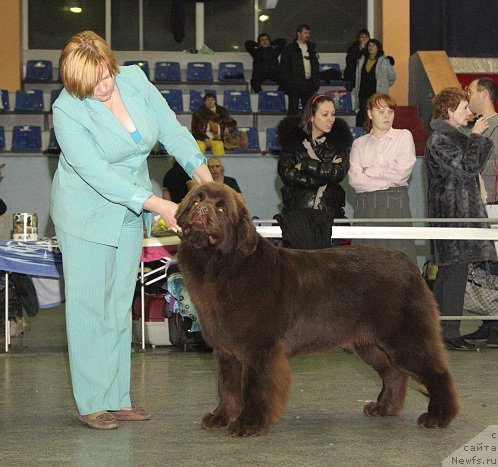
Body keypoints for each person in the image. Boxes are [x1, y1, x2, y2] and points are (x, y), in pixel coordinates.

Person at [49, 30, 213, 430]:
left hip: (129, 212)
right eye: (93, 86)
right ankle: (92, 401)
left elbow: (172, 131)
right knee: (90, 307)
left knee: (119, 305)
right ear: (75, 84)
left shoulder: (135, 80)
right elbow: (97, 174)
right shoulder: (67, 110)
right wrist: (158, 203)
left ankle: (117, 397)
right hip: (86, 213)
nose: (104, 88)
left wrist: (206, 183)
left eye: (106, 76)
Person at [425, 87, 496, 351]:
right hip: (451, 214)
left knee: (453, 271)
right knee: (452, 272)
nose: (469, 113)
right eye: (464, 108)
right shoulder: (440, 139)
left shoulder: (451, 137)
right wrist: (476, 136)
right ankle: (448, 330)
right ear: (449, 110)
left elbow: (471, 165)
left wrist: (474, 138)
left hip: (458, 213)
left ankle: (446, 329)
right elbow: (468, 167)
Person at [276, 94, 353, 248]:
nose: (331, 119)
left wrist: (304, 165)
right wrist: (326, 169)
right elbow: (287, 174)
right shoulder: (292, 144)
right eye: (325, 114)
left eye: (333, 114)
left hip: (330, 218)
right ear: (311, 116)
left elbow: (338, 173)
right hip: (297, 217)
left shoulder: (339, 143)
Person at [348, 93, 417, 263]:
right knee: (365, 263)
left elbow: (402, 171)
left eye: (390, 112)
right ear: (370, 113)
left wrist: (370, 171)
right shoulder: (359, 143)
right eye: (381, 111)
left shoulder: (404, 136)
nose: (387, 116)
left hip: (395, 204)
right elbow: (355, 180)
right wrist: (388, 179)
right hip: (366, 207)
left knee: (399, 262)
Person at [463, 77, 498, 347]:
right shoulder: (477, 127)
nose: (468, 95)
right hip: (480, 208)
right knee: (485, 266)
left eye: (471, 91)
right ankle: (489, 323)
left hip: (495, 207)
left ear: (484, 94)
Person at [352, 38, 396, 127]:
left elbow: (392, 77)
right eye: (369, 45)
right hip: (363, 92)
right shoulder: (361, 60)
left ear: (378, 48)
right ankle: (361, 133)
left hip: (376, 92)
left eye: (373, 45)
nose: (370, 47)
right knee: (362, 113)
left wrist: (384, 85)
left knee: (376, 114)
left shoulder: (384, 61)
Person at [280, 24, 320, 116]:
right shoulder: (289, 49)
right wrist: (288, 83)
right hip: (294, 83)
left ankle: (306, 129)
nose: (308, 35)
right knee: (293, 109)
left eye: (309, 33)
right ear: (298, 33)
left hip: (309, 83)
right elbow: (284, 68)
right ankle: (292, 129)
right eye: (305, 33)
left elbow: (315, 66)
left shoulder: (312, 48)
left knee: (308, 110)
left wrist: (316, 82)